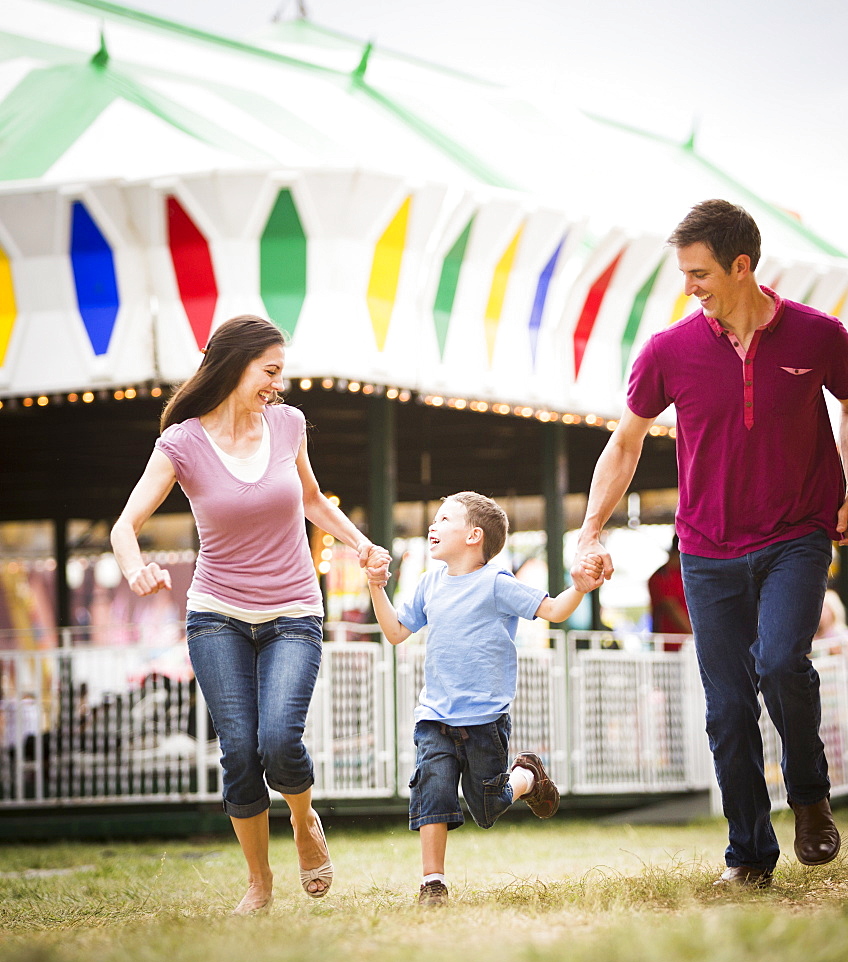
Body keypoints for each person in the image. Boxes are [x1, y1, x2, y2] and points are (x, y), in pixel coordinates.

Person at [570, 200, 848, 888]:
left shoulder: (816, 336)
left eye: (700, 272)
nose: (690, 286)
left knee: (779, 663)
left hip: (796, 535)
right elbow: (625, 443)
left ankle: (808, 795)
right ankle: (749, 856)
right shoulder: (668, 351)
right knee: (728, 707)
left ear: (743, 266)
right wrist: (590, 529)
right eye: (684, 272)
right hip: (706, 550)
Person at [110, 314, 386, 915]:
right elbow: (125, 527)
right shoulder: (182, 441)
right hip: (216, 616)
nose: (277, 385)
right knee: (238, 749)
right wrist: (136, 569)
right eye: (270, 371)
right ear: (236, 365)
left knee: (279, 740)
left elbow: (312, 499)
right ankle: (259, 884)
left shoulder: (287, 426)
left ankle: (304, 819)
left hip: (292, 610)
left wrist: (359, 543)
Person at [366, 491, 601, 906]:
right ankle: (432, 883)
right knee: (433, 791)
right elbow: (396, 631)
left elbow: (554, 611)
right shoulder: (429, 583)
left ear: (474, 535)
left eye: (443, 520)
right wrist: (375, 586)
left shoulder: (496, 584)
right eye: (433, 520)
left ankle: (527, 776)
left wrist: (579, 588)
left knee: (487, 808)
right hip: (435, 716)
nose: (432, 526)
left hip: (485, 721)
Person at [648, 534, 691, 635]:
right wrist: (697, 636)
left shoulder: (684, 574)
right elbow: (673, 609)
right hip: (671, 643)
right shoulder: (662, 576)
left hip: (689, 642)